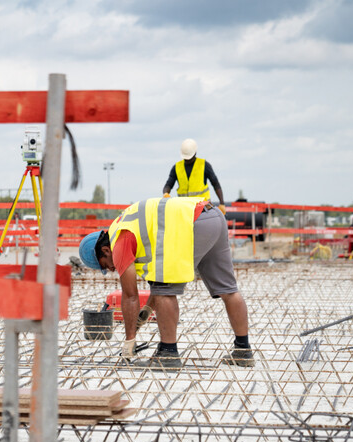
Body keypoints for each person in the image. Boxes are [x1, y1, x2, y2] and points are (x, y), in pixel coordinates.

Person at [78, 197, 253, 369]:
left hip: (191, 224)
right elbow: (157, 278)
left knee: (164, 290)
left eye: (105, 265)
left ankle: (168, 353)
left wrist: (129, 340)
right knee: (228, 290)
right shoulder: (124, 225)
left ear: (105, 250)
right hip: (213, 216)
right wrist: (146, 310)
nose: (111, 269)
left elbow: (131, 296)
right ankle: (243, 351)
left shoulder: (119, 242)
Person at [163, 139, 226, 214]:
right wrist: (165, 193)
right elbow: (168, 185)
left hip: (203, 209)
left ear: (195, 153)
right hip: (185, 209)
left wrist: (222, 203)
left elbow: (215, 184)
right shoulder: (176, 167)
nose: (187, 160)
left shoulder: (204, 165)